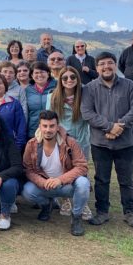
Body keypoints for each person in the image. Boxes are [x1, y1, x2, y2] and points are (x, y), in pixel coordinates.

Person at [81, 51, 133, 229]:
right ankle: (102, 212)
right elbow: (87, 113)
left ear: (115, 65)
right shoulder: (89, 88)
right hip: (100, 143)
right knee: (102, 180)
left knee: (127, 180)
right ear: (97, 68)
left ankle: (130, 213)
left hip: (126, 143)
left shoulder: (130, 85)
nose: (106, 67)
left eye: (109, 63)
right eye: (102, 64)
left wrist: (119, 126)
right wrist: (109, 127)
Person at [22, 110, 90, 236]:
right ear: (40, 126)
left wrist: (60, 180)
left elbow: (82, 166)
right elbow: (28, 169)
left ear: (57, 126)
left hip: (67, 185)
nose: (48, 130)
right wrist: (43, 182)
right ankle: (47, 205)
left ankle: (76, 217)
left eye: (52, 126)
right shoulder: (31, 144)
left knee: (83, 183)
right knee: (27, 191)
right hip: (46, 186)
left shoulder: (70, 142)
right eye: (45, 126)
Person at [48, 66, 92, 220]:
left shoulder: (85, 95)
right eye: (65, 77)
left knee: (81, 171)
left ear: (77, 79)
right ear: (60, 80)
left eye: (72, 77)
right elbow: (49, 119)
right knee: (63, 170)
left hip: (81, 140)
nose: (69, 80)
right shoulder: (52, 97)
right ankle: (65, 199)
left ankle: (82, 201)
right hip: (62, 140)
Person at [25, 61, 56, 139]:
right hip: (33, 131)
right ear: (32, 75)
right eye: (36, 73)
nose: (39, 75)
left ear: (48, 73)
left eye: (42, 72)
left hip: (52, 129)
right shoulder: (27, 90)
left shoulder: (57, 86)